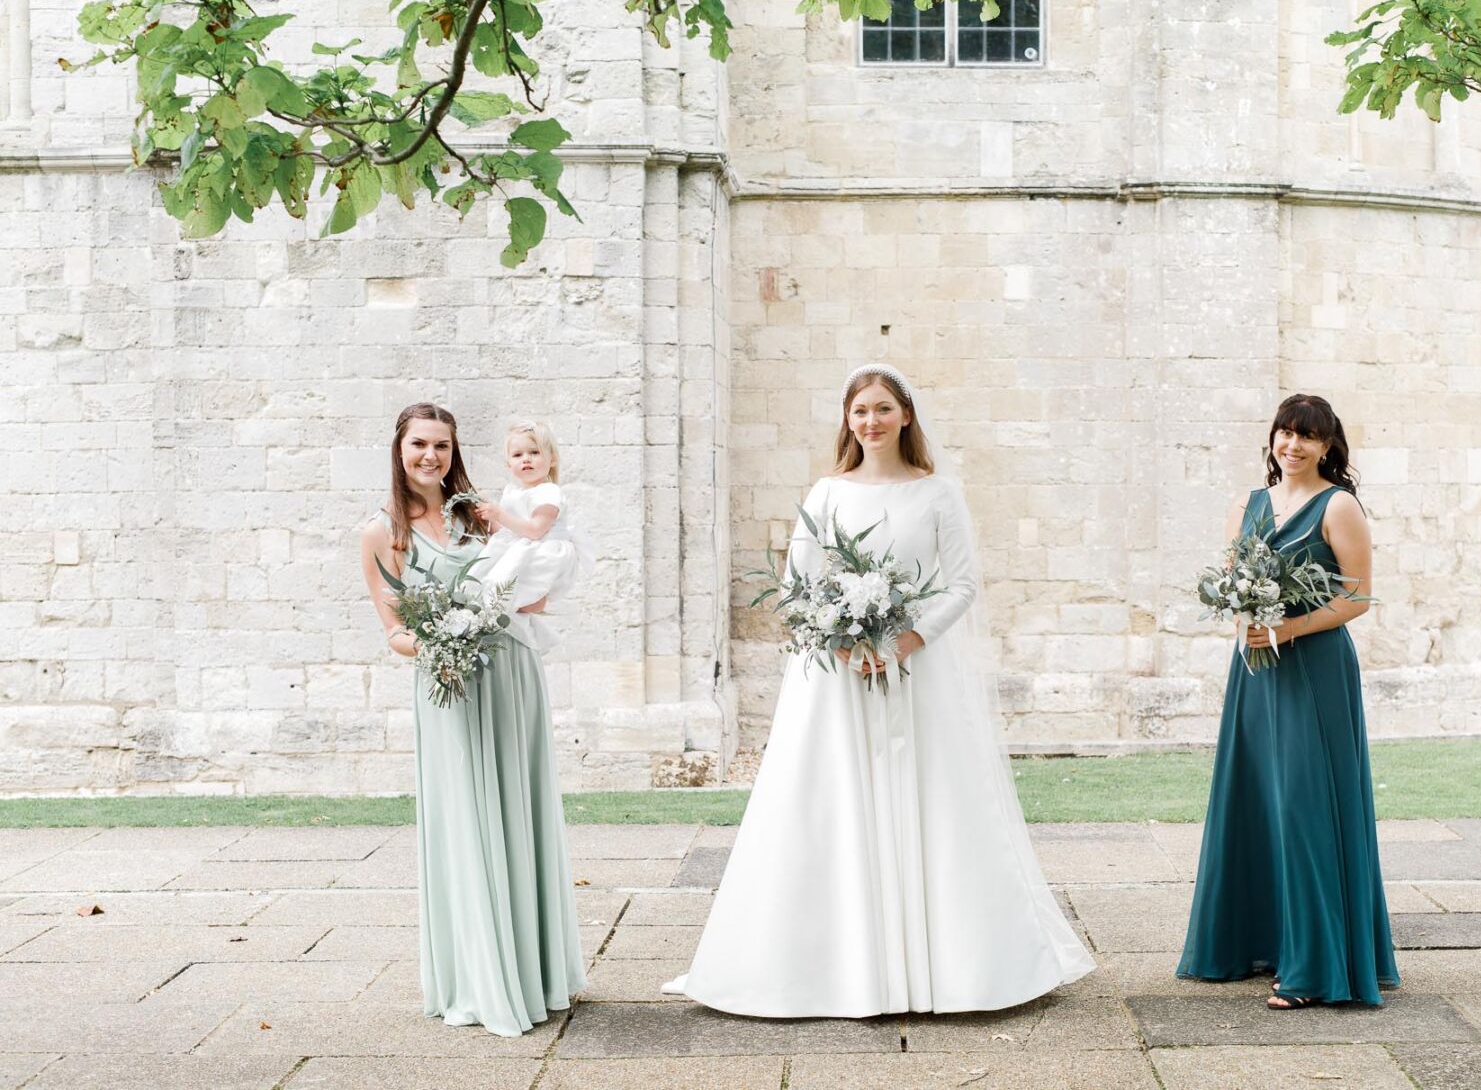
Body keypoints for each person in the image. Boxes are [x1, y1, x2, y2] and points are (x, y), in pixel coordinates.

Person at [662, 364, 1094, 1017]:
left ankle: (957, 965)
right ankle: (827, 967)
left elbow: (961, 584)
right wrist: (842, 638)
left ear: (906, 416)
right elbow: (796, 588)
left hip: (919, 674)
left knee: (937, 803)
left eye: (883, 409)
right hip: (836, 682)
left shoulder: (938, 493)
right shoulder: (828, 493)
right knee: (827, 804)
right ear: (848, 419)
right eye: (860, 410)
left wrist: (904, 640)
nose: (871, 421)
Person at [357, 402, 587, 1037]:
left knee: (519, 812)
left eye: (442, 446)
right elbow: (395, 632)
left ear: (454, 452)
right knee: (468, 822)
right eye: (419, 445)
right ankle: (483, 980)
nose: (431, 456)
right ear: (399, 452)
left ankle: (537, 974)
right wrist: (440, 644)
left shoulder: (478, 514)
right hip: (451, 685)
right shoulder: (382, 534)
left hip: (511, 674)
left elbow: (534, 577)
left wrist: (524, 605)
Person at [1176, 393, 1399, 1009]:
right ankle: (1253, 942)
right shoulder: (1247, 506)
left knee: (1306, 806)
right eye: (1284, 433)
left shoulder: (1340, 507)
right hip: (1254, 670)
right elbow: (1232, 581)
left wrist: (1289, 629)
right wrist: (1243, 612)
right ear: (1272, 438)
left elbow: (1357, 598)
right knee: (1254, 801)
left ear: (1328, 446)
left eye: (1307, 436)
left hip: (1313, 669)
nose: (1293, 445)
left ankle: (1315, 968)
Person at [473, 418, 597, 652]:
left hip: (543, 549)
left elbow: (535, 529)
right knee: (489, 584)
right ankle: (521, 620)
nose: (526, 459)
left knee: (504, 594)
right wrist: (489, 517)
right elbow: (512, 530)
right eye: (518, 455)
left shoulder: (549, 492)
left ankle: (533, 606)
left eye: (534, 452)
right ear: (509, 464)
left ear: (552, 460)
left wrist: (499, 513)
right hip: (524, 545)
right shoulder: (514, 492)